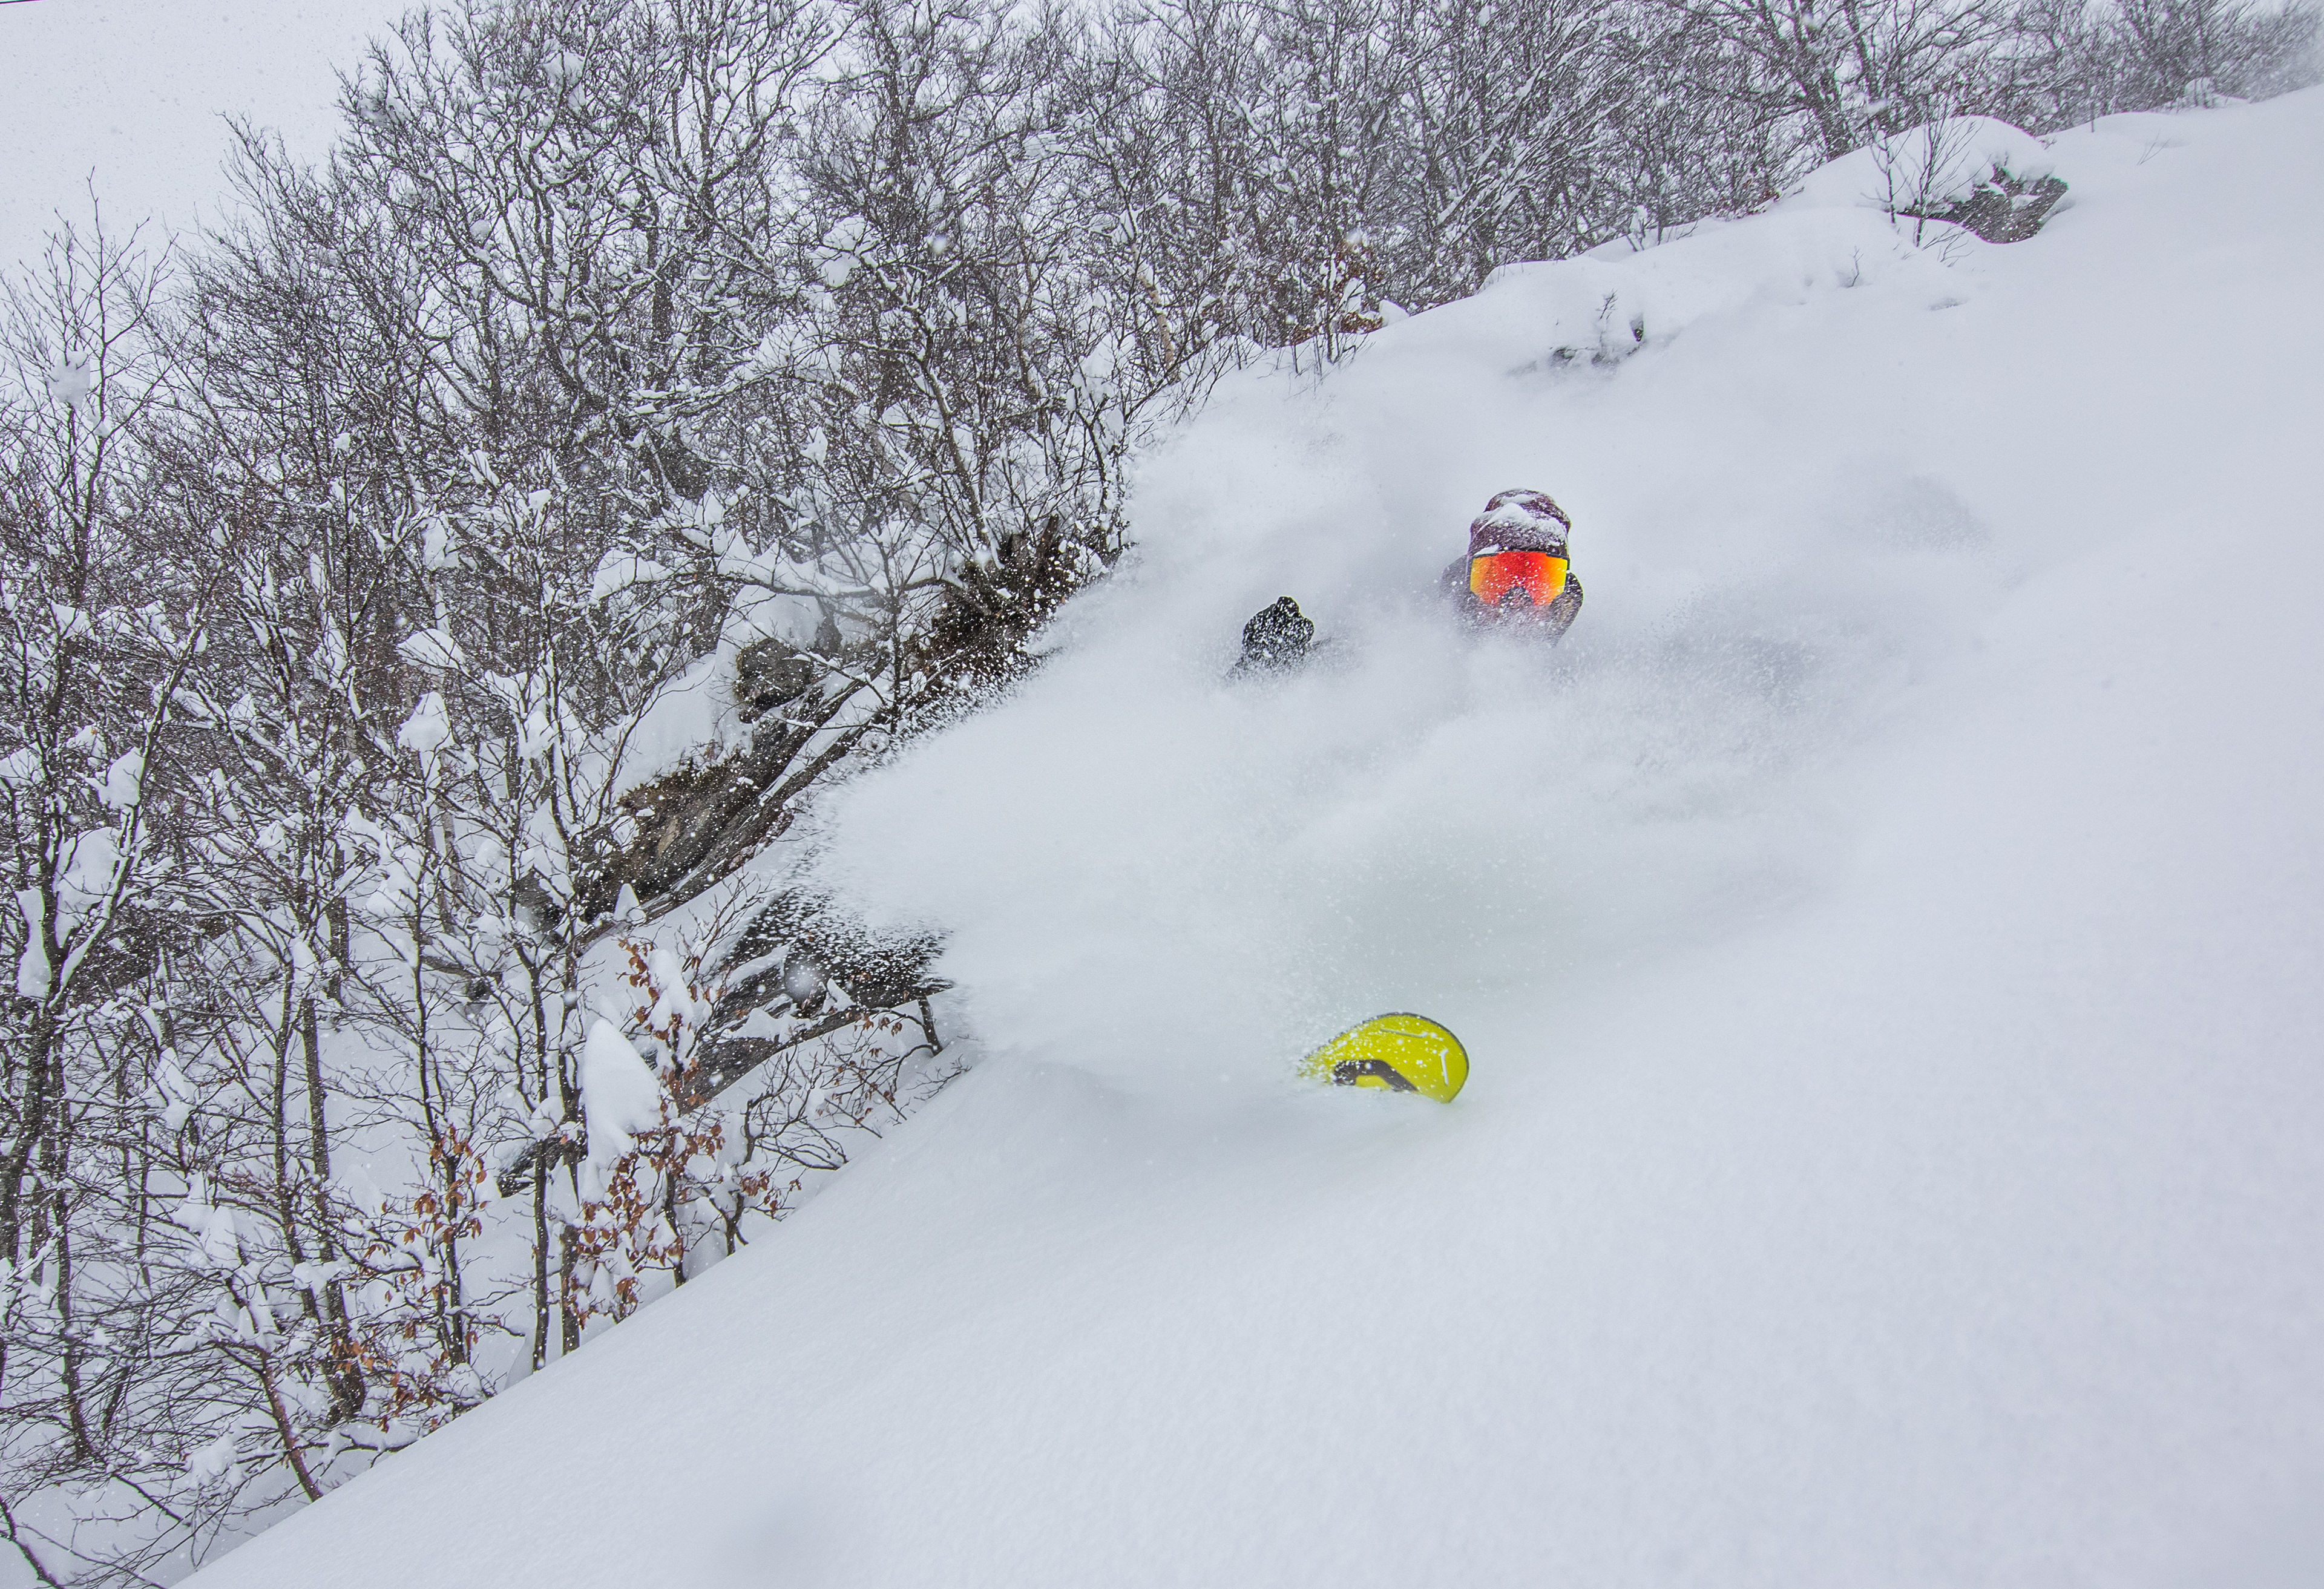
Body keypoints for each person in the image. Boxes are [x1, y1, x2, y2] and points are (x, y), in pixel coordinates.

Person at [1442, 488, 1583, 640]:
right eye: (1498, 582)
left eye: (1537, 585)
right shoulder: (1430, 636)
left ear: (1562, 595)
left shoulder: (1587, 646)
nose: (1516, 603)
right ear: (1468, 587)